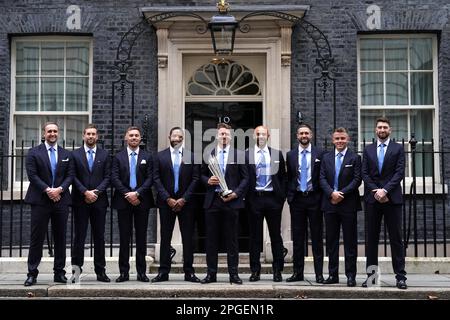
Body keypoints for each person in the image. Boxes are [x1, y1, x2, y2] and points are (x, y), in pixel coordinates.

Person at [24, 122, 74, 286]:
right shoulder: (33, 153)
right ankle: (32, 273)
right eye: (49, 131)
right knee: (36, 238)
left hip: (61, 200)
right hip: (40, 200)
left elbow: (70, 175)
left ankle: (59, 273)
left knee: (60, 238)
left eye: (55, 131)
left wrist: (59, 190)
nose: (52, 134)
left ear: (58, 133)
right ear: (44, 134)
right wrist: (48, 190)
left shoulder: (66, 154)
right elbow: (33, 176)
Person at [361, 117, 407, 289]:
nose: (382, 130)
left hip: (392, 199)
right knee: (371, 240)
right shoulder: (368, 149)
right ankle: (372, 277)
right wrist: (376, 191)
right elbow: (365, 173)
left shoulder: (398, 148)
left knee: (396, 239)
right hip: (373, 200)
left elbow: (399, 172)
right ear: (375, 130)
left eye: (385, 127)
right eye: (379, 127)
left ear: (390, 130)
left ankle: (400, 277)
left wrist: (385, 190)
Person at [200, 123, 249, 284]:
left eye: (226, 134)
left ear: (231, 137)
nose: (223, 137)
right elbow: (200, 175)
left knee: (232, 240)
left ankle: (233, 274)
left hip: (231, 202)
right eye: (221, 134)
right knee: (211, 240)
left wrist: (235, 194)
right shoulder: (208, 154)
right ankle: (211, 274)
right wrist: (208, 180)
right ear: (216, 136)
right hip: (213, 201)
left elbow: (245, 178)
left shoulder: (239, 154)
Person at [152, 127, 200, 283]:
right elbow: (156, 179)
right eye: (174, 136)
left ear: (183, 138)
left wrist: (184, 199)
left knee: (188, 238)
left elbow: (195, 179)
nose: (177, 138)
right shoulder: (159, 157)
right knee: (165, 238)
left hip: (187, 203)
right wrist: (168, 198)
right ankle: (163, 272)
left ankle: (189, 272)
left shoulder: (192, 156)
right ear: (169, 137)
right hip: (166, 203)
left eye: (180, 136)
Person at [319, 127, 361, 287]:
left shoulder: (355, 157)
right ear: (333, 140)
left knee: (350, 242)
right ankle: (333, 274)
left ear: (347, 139)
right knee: (331, 242)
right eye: (337, 139)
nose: (340, 141)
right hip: (330, 204)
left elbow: (357, 180)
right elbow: (321, 178)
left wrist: (341, 193)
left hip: (348, 204)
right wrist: (331, 194)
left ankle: (351, 275)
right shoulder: (326, 158)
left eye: (342, 138)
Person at [111, 126, 154, 282]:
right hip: (123, 201)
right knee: (124, 238)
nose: (134, 138)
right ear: (126, 138)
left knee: (141, 238)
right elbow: (114, 178)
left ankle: (141, 272)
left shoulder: (148, 157)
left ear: (140, 138)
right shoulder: (118, 157)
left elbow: (151, 178)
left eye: (137, 135)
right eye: (131, 135)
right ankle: (124, 272)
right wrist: (127, 194)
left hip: (142, 201)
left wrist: (137, 193)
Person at [245, 125, 286, 282]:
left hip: (272, 199)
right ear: (254, 136)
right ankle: (255, 271)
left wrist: (280, 197)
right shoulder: (247, 154)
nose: (261, 136)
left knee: (276, 236)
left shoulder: (276, 154)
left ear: (268, 136)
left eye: (263, 134)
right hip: (254, 199)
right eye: (258, 134)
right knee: (254, 236)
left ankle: (277, 270)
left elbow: (283, 176)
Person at [71, 124, 111, 282]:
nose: (91, 136)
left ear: (97, 137)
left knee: (99, 237)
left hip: (99, 201)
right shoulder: (74, 154)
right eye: (88, 134)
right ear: (83, 136)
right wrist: (84, 192)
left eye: (93, 134)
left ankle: (100, 271)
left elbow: (108, 177)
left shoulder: (105, 154)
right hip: (80, 201)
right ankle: (76, 272)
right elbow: (72, 176)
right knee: (79, 237)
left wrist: (96, 192)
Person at [286, 123, 325, 283]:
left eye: (306, 133)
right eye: (301, 133)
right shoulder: (291, 155)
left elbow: (323, 176)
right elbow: (288, 178)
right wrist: (290, 197)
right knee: (298, 238)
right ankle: (297, 273)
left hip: (314, 199)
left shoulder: (320, 153)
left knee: (316, 238)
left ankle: (319, 274)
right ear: (297, 136)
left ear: (311, 135)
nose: (304, 136)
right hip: (297, 200)